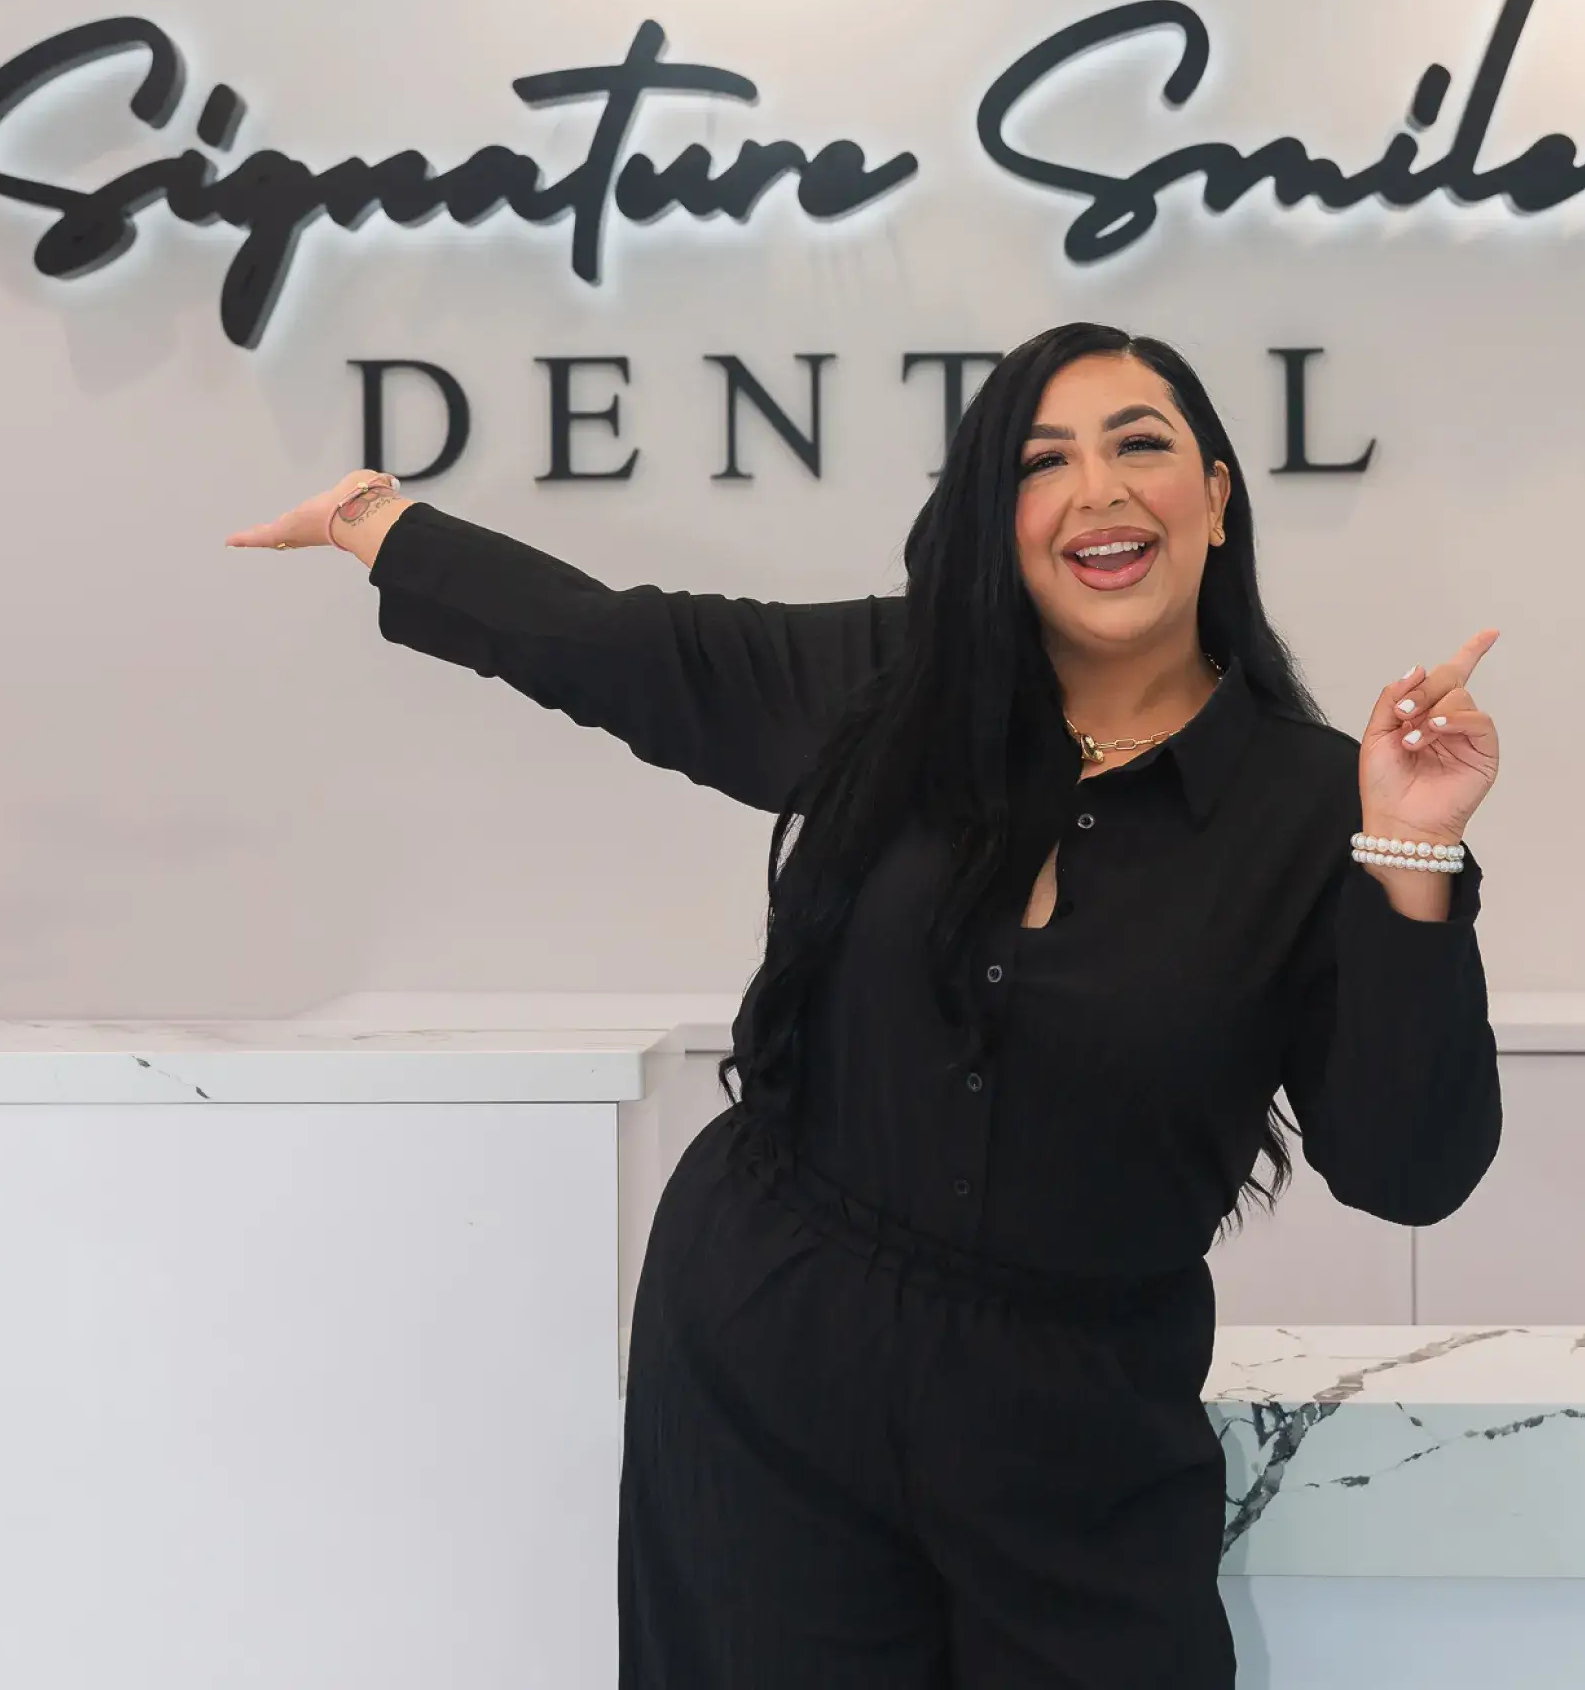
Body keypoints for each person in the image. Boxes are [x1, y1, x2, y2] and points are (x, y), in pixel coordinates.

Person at [230, 323, 1503, 1690]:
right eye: (1042, 462)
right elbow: (620, 646)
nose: (1099, 490)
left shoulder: (1315, 806)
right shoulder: (892, 690)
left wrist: (1413, 851)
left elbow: (1408, 1167)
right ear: (996, 520)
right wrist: (379, 521)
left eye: (1140, 444)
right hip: (768, 1358)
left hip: (1075, 1434)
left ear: (1217, 494)